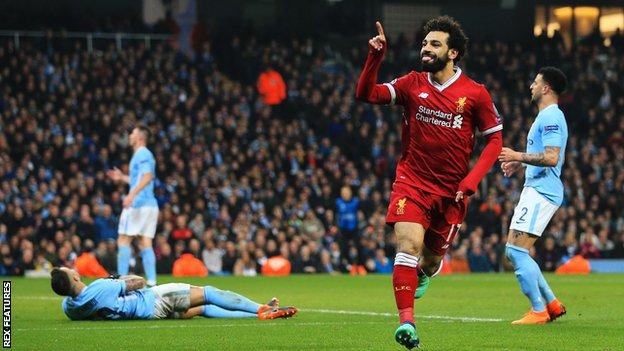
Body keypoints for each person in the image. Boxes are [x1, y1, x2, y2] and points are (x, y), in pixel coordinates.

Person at [355, 16, 503, 349]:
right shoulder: (411, 83)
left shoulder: (475, 94)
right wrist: (374, 57)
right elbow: (366, 94)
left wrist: (472, 180)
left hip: (452, 191)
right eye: (424, 43)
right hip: (412, 183)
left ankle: (423, 274)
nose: (426, 48)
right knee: (407, 246)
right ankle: (407, 324)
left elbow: (494, 140)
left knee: (432, 259)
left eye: (434, 44)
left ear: (453, 53)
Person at [498, 66, 568, 325]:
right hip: (537, 189)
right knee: (517, 251)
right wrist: (521, 164)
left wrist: (517, 155)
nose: (531, 86)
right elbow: (544, 155)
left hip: (542, 191)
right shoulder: (546, 116)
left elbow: (551, 157)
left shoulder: (550, 117)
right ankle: (551, 303)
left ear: (546, 88)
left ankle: (538, 310)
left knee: (515, 252)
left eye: (536, 82)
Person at [51, 267, 298, 321]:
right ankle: (259, 309)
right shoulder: (100, 287)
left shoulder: (70, 309)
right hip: (154, 299)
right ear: (74, 277)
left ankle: (259, 312)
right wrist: (117, 278)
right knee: (209, 292)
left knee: (200, 309)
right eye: (68, 268)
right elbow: (139, 282)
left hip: (147, 316)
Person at [107, 124, 159, 286]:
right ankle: (152, 281)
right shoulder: (144, 154)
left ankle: (121, 281)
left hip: (139, 205)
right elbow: (140, 179)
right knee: (145, 242)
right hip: (150, 204)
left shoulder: (142, 154)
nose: (130, 135)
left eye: (133, 133)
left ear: (140, 137)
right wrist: (122, 178)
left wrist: (131, 195)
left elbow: (148, 176)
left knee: (123, 240)